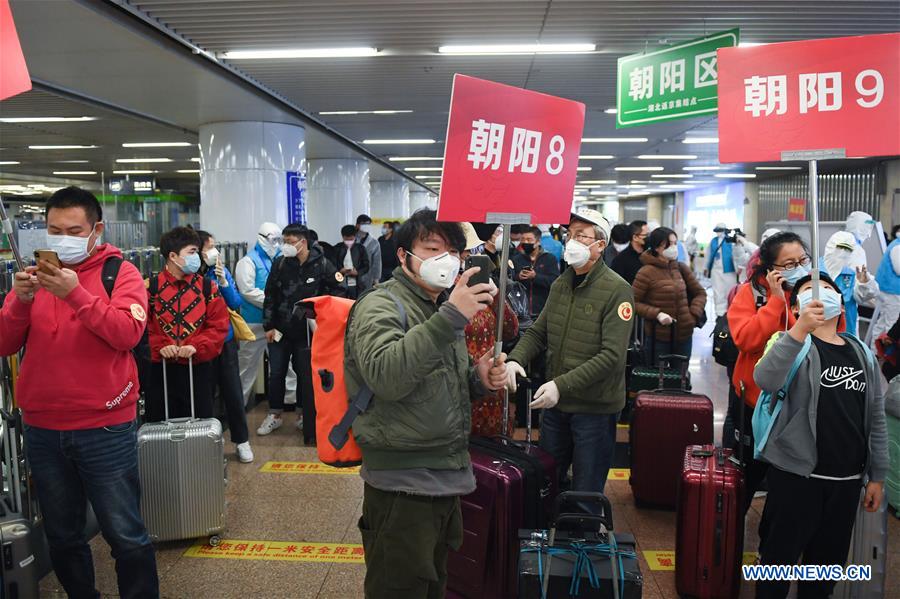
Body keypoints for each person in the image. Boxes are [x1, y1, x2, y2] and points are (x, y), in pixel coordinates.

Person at [0, 186, 160, 597]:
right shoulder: (33, 278)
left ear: (96, 230)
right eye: (54, 230)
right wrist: (19, 301)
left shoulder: (118, 273)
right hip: (43, 428)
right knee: (63, 536)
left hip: (105, 426)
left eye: (73, 230)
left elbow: (127, 332)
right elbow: (3, 343)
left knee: (126, 534)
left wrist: (75, 293)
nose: (61, 239)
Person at [345, 209, 508, 598]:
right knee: (399, 586)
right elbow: (387, 375)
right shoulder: (381, 305)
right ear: (404, 256)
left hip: (443, 474)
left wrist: (478, 379)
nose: (445, 260)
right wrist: (451, 316)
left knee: (434, 583)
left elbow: (440, 382)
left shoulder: (436, 305)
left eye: (453, 252)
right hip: (403, 482)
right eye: (432, 248)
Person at [753, 273, 887, 599]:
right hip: (798, 477)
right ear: (798, 306)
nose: (821, 293)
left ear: (840, 303)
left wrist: (878, 476)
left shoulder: (861, 353)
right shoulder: (791, 343)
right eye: (809, 290)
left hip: (846, 481)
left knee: (824, 570)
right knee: (778, 563)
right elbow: (766, 379)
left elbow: (876, 417)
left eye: (828, 289)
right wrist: (799, 330)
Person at [506, 209, 633, 495]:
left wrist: (560, 385)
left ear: (600, 246)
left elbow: (612, 356)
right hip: (556, 406)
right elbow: (540, 331)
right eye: (570, 235)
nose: (571, 241)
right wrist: (516, 360)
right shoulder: (561, 284)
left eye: (581, 236)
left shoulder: (617, 290)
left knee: (586, 488)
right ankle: (551, 536)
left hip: (594, 408)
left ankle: (584, 538)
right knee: (548, 482)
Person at [728, 232, 811, 511]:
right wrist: (776, 301)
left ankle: (771, 547)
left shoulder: (813, 292)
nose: (798, 267)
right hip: (755, 402)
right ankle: (729, 539)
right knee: (747, 477)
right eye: (789, 264)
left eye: (802, 260)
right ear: (769, 268)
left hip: (797, 404)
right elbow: (746, 339)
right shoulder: (750, 293)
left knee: (786, 486)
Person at [257, 224, 346, 436]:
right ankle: (275, 414)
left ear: (302, 242)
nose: (285, 246)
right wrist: (268, 326)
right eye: (284, 241)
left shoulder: (322, 264)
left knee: (304, 373)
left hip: (307, 332)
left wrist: (322, 317)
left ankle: (303, 414)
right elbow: (270, 296)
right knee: (276, 372)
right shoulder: (280, 264)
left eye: (289, 242)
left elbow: (340, 292)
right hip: (280, 329)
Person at [146, 227, 230, 423]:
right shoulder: (151, 287)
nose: (197, 258)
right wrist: (159, 346)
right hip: (160, 370)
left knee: (200, 429)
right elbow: (140, 328)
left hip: (198, 369)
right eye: (192, 252)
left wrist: (196, 346)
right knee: (160, 429)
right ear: (173, 256)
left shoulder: (207, 287)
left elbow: (218, 326)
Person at [458, 222, 520, 436]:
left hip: (491, 387)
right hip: (460, 390)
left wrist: (496, 296)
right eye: (461, 252)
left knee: (492, 456)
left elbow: (511, 329)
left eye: (470, 251)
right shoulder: (440, 293)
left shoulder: (485, 286)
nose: (465, 257)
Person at [198, 230, 254, 463]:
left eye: (215, 246)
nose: (214, 251)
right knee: (204, 394)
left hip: (225, 340)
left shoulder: (219, 271)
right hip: (200, 344)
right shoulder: (191, 277)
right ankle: (208, 440)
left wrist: (222, 281)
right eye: (209, 246)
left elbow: (234, 302)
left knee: (232, 391)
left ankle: (242, 441)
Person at [632, 227, 707, 362]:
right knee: (658, 378)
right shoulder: (646, 272)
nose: (673, 247)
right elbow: (633, 302)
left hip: (684, 335)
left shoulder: (681, 268)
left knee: (681, 377)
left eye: (674, 243)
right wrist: (657, 314)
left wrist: (693, 314)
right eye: (668, 244)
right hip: (658, 336)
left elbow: (700, 293)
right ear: (656, 247)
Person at [235, 222, 286, 404]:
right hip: (254, 323)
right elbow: (247, 291)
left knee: (284, 366)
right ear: (262, 238)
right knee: (247, 366)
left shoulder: (281, 259)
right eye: (273, 240)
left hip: (277, 323)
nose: (277, 244)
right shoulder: (247, 262)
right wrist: (274, 302)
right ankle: (239, 405)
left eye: (279, 240)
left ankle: (288, 404)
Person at [820, 230, 879, 337]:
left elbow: (863, 297)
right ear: (830, 247)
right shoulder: (814, 271)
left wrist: (864, 283)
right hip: (819, 329)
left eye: (848, 249)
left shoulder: (850, 274)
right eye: (840, 247)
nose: (843, 253)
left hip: (846, 331)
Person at [512, 226, 560, 316]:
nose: (525, 242)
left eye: (529, 240)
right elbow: (510, 279)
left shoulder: (549, 258)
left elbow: (555, 281)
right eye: (523, 239)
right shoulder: (516, 259)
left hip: (543, 310)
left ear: (538, 241)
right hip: (520, 310)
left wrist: (535, 276)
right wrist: (518, 276)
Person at [704, 223, 738, 317]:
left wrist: (739, 267)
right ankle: (719, 313)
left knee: (730, 291)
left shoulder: (730, 241)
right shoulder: (713, 241)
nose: (718, 233)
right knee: (718, 292)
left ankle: (731, 311)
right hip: (716, 270)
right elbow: (708, 255)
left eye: (720, 230)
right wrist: (706, 267)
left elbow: (737, 255)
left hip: (729, 270)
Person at [336, 224, 370, 300]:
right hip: (341, 283)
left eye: (351, 239)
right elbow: (332, 265)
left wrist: (357, 272)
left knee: (356, 303)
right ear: (342, 237)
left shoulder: (361, 248)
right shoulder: (337, 248)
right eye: (346, 239)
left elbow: (366, 266)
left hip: (357, 283)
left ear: (355, 237)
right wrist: (340, 270)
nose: (348, 242)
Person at [611, 219, 648, 285]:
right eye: (646, 235)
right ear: (635, 237)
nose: (648, 237)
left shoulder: (651, 254)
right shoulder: (621, 260)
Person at [355, 214, 382, 292]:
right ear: (357, 225)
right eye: (364, 224)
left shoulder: (374, 242)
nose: (366, 226)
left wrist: (376, 279)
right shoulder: (351, 239)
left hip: (367, 276)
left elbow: (377, 262)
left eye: (368, 224)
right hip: (352, 275)